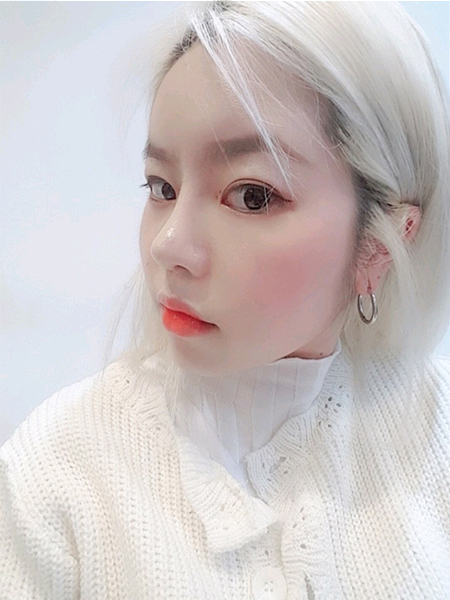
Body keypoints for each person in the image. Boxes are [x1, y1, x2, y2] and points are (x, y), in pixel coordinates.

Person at [1, 1, 450, 598]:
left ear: (381, 241)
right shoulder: (57, 469)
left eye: (252, 196)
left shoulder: (433, 428)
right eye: (162, 187)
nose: (168, 245)